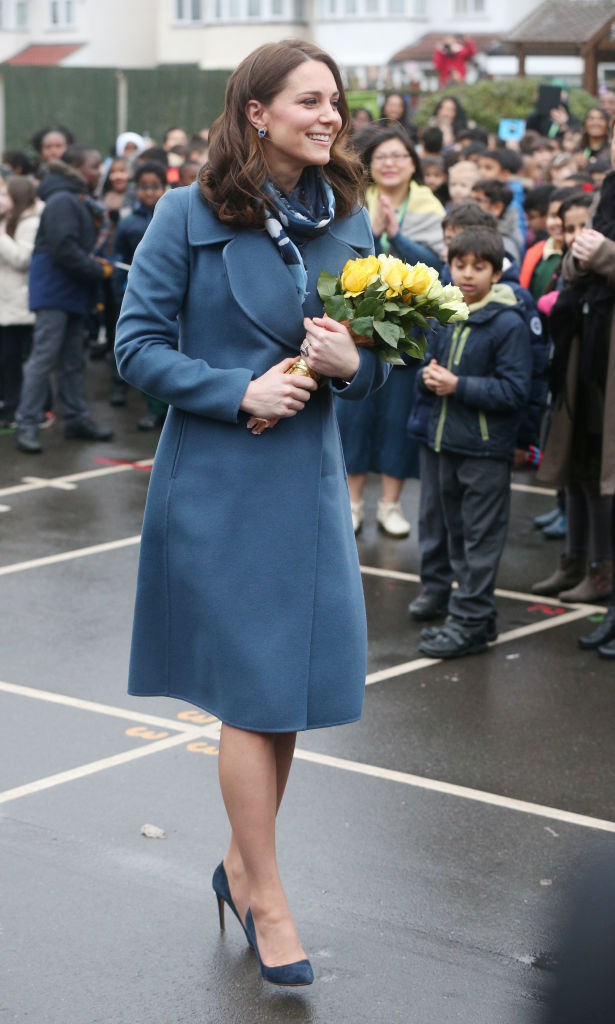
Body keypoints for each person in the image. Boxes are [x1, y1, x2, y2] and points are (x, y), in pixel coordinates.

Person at [114, 39, 389, 988]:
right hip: (221, 480)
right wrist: (238, 392)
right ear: (255, 112)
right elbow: (136, 347)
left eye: (335, 101)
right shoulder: (185, 212)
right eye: (309, 100)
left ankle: (239, 867)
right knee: (249, 694)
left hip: (306, 483)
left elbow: (374, 361)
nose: (330, 116)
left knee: (283, 698)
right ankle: (267, 899)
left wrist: (353, 368)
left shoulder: (348, 217)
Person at [415, 228, 531, 658]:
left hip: (484, 450)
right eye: (459, 265)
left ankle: (468, 624)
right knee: (459, 537)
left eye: (478, 267)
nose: (467, 275)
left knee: (480, 541)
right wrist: (429, 376)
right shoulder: (447, 312)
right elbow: (429, 364)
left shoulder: (508, 322)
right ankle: (477, 618)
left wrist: (458, 385)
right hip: (447, 442)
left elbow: (516, 390)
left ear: (496, 273)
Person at [335, 122, 445, 537]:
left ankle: (390, 504)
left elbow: (437, 267)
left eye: (399, 156)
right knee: (354, 417)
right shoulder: (353, 202)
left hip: (407, 333)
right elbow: (343, 260)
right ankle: (353, 502)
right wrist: (375, 233)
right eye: (381, 157)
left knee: (398, 418)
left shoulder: (430, 208)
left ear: (413, 163)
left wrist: (397, 236)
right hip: (358, 331)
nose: (391, 164)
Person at [534, 191, 614, 603]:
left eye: (584, 227)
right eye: (571, 229)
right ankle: (575, 561)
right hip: (582, 361)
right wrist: (581, 258)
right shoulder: (604, 200)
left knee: (601, 475)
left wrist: (603, 255)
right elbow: (570, 267)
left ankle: (601, 571)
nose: (578, 234)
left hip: (604, 364)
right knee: (579, 466)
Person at [14, 145, 115, 453]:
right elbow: (64, 249)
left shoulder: (74, 198)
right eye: (93, 166)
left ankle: (75, 419)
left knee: (72, 361)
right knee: (44, 358)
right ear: (75, 168)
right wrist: (97, 269)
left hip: (70, 291)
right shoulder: (63, 199)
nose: (99, 172)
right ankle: (27, 423)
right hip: (55, 291)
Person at [112, 160, 167, 429]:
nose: (149, 192)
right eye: (144, 187)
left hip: (171, 293)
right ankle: (154, 409)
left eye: (155, 186)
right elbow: (119, 257)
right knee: (148, 348)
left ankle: (171, 408)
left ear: (164, 187)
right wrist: (117, 293)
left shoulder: (173, 216)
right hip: (137, 292)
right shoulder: (128, 223)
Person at [0, 176, 40, 428]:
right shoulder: (7, 220)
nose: (1, 199)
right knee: (7, 359)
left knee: (15, 359)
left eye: (5, 194)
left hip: (20, 305)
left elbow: (22, 258)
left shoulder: (30, 222)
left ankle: (24, 409)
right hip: (6, 304)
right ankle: (10, 404)